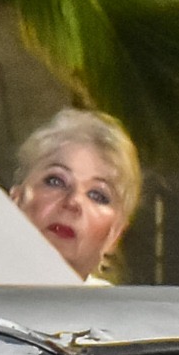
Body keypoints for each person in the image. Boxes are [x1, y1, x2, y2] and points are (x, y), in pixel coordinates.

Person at [10, 108, 142, 282]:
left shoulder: (117, 302)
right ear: (16, 199)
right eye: (56, 181)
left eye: (97, 195)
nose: (73, 202)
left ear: (115, 235)